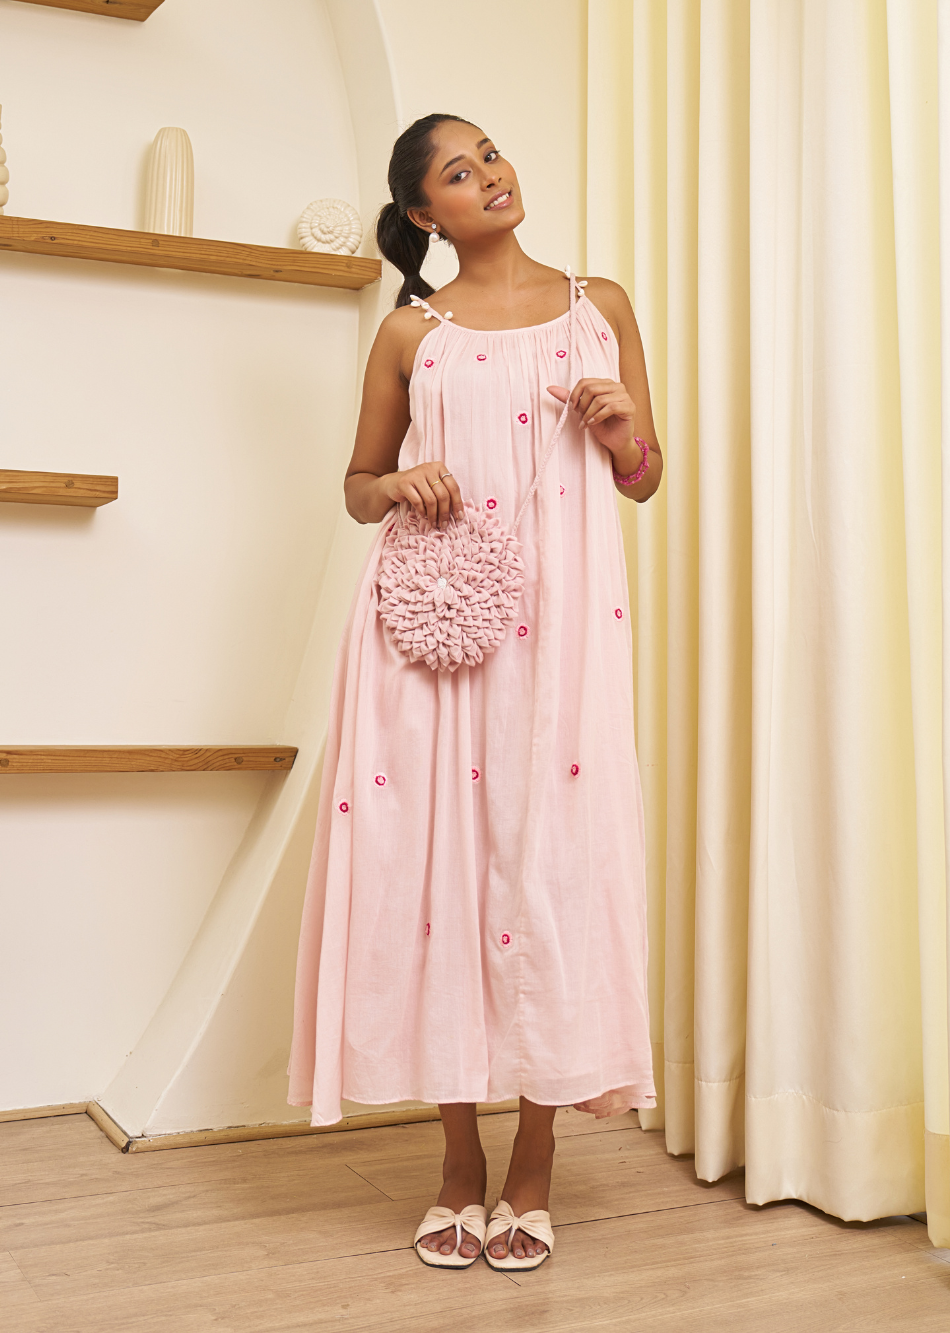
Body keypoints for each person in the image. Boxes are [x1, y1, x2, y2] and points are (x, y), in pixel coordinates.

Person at [288, 113, 661, 1272]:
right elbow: (356, 486)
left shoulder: (599, 307)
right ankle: (457, 1165)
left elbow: (643, 478)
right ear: (422, 215)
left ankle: (533, 1164)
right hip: (434, 636)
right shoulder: (413, 333)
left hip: (564, 641)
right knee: (439, 873)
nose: (490, 175)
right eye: (459, 172)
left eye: (490, 154)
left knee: (550, 868)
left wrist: (620, 429)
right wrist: (397, 482)